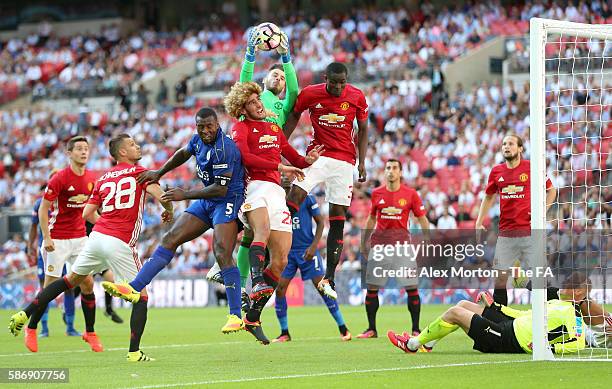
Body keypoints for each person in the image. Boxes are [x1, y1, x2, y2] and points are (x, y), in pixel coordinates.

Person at [10, 134, 173, 361]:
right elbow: (162, 196)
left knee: (69, 281)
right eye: (133, 145)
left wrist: (107, 223)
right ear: (122, 152)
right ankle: (134, 352)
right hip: (120, 242)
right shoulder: (141, 172)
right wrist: (170, 209)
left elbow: (87, 213)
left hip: (95, 237)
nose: (138, 146)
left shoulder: (103, 178)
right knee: (141, 296)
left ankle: (24, 313)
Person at [102, 108, 246, 335]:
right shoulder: (198, 140)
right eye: (201, 127)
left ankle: (236, 316)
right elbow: (183, 152)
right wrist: (159, 172)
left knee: (221, 251)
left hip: (228, 199)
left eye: (209, 126)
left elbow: (221, 188)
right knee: (170, 238)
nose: (206, 131)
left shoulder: (224, 149)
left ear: (217, 124)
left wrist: (185, 194)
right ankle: (134, 288)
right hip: (208, 201)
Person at [207, 26, 298, 305]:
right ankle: (225, 262)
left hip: (267, 164)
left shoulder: (281, 107)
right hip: (247, 158)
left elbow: (294, 89)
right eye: (274, 74)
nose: (279, 78)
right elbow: (243, 84)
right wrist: (250, 53)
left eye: (281, 77)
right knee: (240, 206)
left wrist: (286, 57)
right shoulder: (254, 100)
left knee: (256, 228)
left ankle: (245, 287)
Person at [226, 81, 322, 343]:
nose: (258, 105)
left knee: (280, 261)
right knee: (263, 231)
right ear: (241, 108)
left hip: (277, 192)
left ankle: (253, 317)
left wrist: (307, 160)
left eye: (259, 101)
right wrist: (281, 168)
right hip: (253, 187)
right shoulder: (240, 128)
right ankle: (256, 281)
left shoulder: (273, 128)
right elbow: (247, 159)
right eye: (252, 103)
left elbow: (292, 156)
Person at [283, 62, 369, 299]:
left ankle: (329, 278)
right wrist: (281, 145)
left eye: (343, 82)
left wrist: (362, 162)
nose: (339, 87)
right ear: (326, 79)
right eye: (334, 82)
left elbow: (363, 129)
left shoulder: (356, 97)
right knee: (294, 197)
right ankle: (274, 245)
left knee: (338, 219)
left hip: (344, 161)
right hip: (318, 155)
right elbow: (293, 115)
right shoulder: (311, 93)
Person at [388, 274, 598, 354]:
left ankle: (412, 345)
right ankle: (428, 343)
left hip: (507, 340)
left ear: (578, 291)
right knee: (463, 304)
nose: (563, 286)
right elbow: (523, 315)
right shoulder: (557, 301)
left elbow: (576, 343)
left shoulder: (572, 314)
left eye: (568, 284)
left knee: (455, 312)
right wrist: (497, 308)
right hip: (508, 328)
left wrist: (547, 347)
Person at [23, 136, 98, 352]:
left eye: (87, 148)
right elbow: (43, 209)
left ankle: (90, 332)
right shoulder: (59, 178)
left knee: (88, 283)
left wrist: (107, 224)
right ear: (69, 153)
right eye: (80, 149)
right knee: (50, 288)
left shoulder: (91, 179)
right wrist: (46, 237)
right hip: (57, 239)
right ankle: (32, 328)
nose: (84, 152)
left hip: (80, 238)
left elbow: (88, 213)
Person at [475, 134, 557, 306]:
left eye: (511, 143)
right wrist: (479, 220)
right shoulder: (496, 172)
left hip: (529, 232)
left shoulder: (532, 168)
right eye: (504, 144)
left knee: (539, 281)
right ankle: (501, 321)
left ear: (520, 148)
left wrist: (541, 212)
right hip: (506, 234)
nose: (506, 146)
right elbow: (488, 197)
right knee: (499, 279)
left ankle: (562, 303)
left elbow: (551, 190)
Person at [272, 174, 351, 342]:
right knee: (280, 290)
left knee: (323, 289)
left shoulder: (306, 198)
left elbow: (321, 222)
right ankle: (284, 332)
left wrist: (314, 246)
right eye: (282, 175)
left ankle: (343, 329)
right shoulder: (275, 200)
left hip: (307, 251)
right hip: (287, 252)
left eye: (289, 175)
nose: (286, 178)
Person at [358, 159, 430, 339]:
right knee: (372, 288)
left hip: (402, 247)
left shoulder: (411, 194)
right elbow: (371, 219)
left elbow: (422, 218)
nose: (391, 171)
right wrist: (363, 241)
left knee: (411, 287)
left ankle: (415, 328)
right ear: (385, 172)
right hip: (379, 247)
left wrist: (428, 240)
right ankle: (371, 329)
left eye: (394, 168)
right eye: (388, 168)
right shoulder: (376, 193)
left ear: (400, 172)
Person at [28, 173, 79, 337]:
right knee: (45, 288)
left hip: (65, 247)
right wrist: (30, 246)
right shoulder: (40, 204)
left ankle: (70, 327)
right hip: (48, 251)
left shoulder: (69, 203)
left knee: (69, 287)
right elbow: (33, 227)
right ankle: (43, 327)